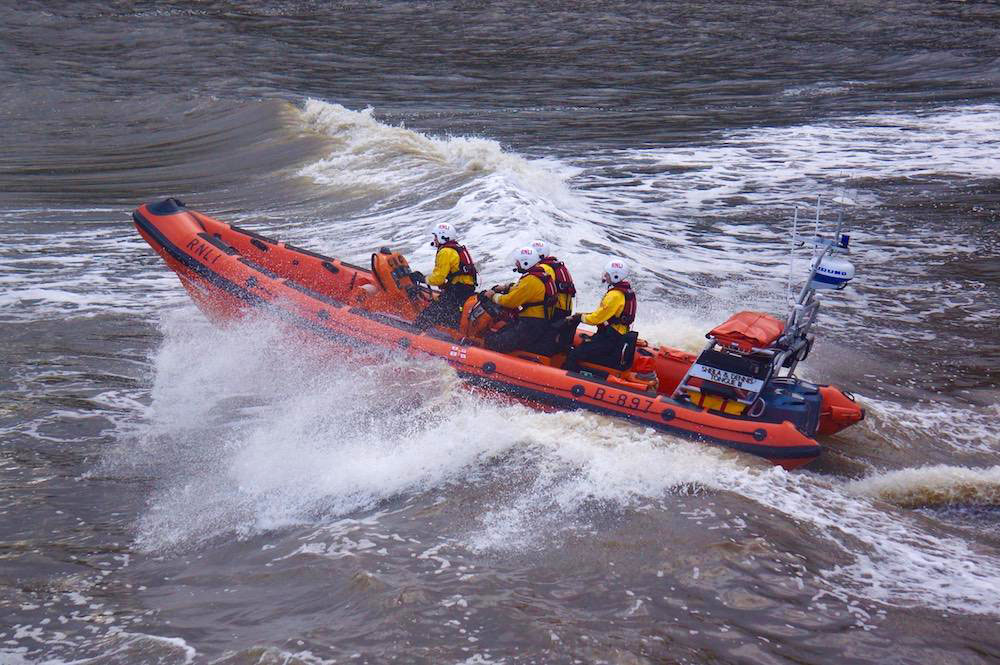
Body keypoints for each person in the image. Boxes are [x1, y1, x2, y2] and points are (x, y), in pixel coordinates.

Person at [563, 258, 636, 372]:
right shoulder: (624, 292)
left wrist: (579, 317)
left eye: (607, 274)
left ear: (615, 276)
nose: (605, 277)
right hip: (616, 335)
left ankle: (569, 380)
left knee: (575, 354)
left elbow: (597, 318)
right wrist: (582, 315)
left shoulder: (615, 295)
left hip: (611, 339)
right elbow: (604, 315)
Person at [482, 246, 557, 354]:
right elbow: (520, 290)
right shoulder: (538, 276)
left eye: (518, 262)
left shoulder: (531, 279)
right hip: (536, 322)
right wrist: (505, 288)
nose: (516, 264)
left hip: (531, 324)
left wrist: (493, 296)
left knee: (494, 342)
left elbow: (510, 301)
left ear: (525, 262)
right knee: (501, 332)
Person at [412, 221, 477, 330]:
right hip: (465, 290)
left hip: (457, 293)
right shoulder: (456, 248)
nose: (434, 240)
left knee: (426, 317)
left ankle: (415, 334)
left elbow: (438, 278)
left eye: (435, 237)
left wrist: (422, 279)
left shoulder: (445, 252)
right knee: (447, 314)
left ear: (443, 236)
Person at [530, 239, 576, 350]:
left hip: (555, 310)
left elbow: (536, 287)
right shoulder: (556, 266)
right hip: (566, 309)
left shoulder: (544, 268)